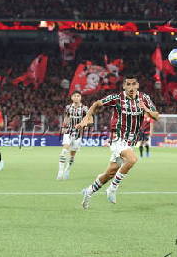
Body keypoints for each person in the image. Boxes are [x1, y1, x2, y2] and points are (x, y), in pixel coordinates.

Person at [76, 75, 159, 208]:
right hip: (117, 138)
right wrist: (86, 118)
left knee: (109, 173)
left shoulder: (145, 98)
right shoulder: (117, 98)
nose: (131, 87)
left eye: (133, 84)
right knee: (132, 160)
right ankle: (112, 188)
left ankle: (89, 191)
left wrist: (146, 109)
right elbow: (96, 103)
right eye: (128, 84)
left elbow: (156, 116)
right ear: (124, 86)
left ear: (137, 85)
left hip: (131, 141)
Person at [57, 91, 89, 180]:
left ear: (80, 97)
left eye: (78, 96)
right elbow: (66, 117)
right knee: (64, 151)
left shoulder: (85, 108)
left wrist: (85, 125)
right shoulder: (68, 107)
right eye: (74, 96)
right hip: (68, 131)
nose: (76, 97)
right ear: (72, 97)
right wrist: (63, 126)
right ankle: (60, 171)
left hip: (78, 133)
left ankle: (67, 169)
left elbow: (87, 118)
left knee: (72, 155)